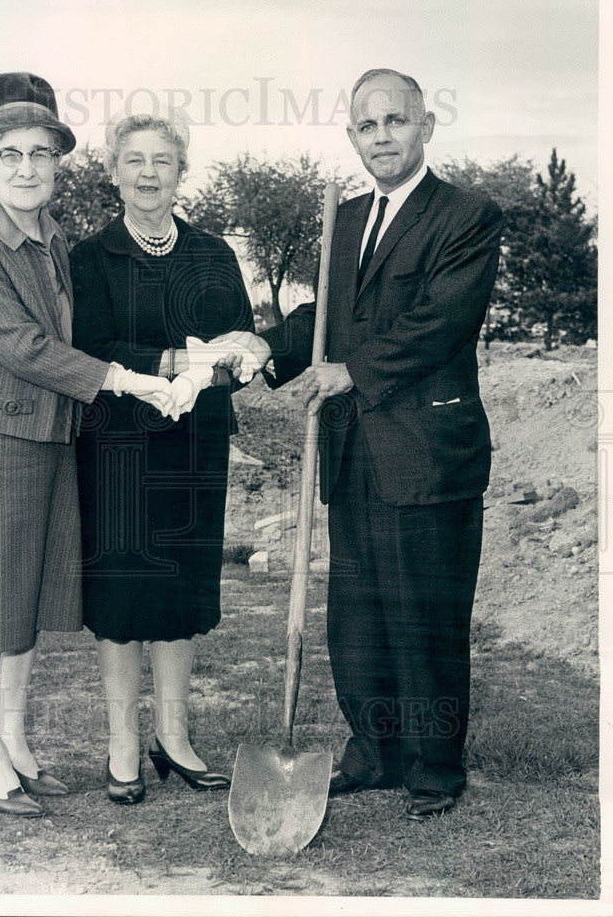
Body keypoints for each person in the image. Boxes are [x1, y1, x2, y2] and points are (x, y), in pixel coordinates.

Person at [216, 69, 503, 819]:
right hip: (350, 451)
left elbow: (442, 321)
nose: (382, 136)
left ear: (425, 126)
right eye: (367, 126)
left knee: (425, 614)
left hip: (427, 450)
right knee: (361, 616)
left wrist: (352, 371)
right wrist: (265, 352)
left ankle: (435, 767)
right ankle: (373, 751)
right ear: (352, 137)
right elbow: (324, 317)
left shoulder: (468, 217)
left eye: (395, 121)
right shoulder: (341, 221)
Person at [0, 73, 174, 818]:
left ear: (59, 162)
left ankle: (14, 743)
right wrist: (126, 380)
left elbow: (65, 338)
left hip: (44, 433)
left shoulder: (50, 236)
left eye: (42, 153)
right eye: (11, 154)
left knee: (25, 598)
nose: (28, 167)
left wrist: (164, 361)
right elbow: (28, 347)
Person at [69, 107, 254, 804]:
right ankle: (122, 746)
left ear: (182, 172)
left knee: (179, 595)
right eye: (135, 160)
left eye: (163, 161)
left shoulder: (214, 254)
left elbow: (236, 342)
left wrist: (228, 360)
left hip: (196, 445)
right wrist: (176, 358)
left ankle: (173, 740)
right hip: (117, 446)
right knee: (121, 596)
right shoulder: (90, 258)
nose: (149, 174)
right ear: (114, 172)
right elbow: (91, 346)